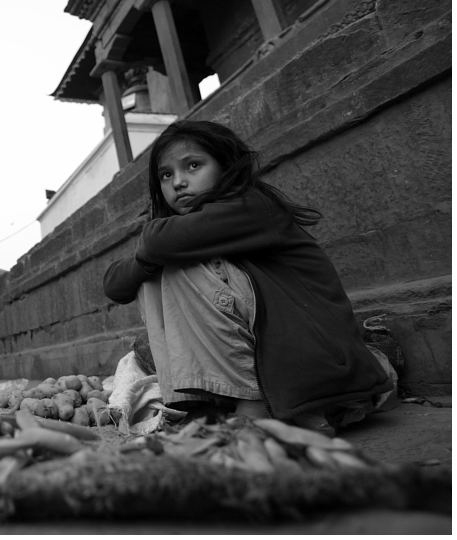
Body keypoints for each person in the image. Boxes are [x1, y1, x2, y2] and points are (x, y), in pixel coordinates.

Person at [102, 120, 394, 435]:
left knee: (177, 263)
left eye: (193, 166)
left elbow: (159, 242)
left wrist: (154, 249)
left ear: (226, 167)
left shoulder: (253, 207)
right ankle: (198, 402)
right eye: (166, 174)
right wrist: (149, 257)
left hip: (314, 365)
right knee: (154, 273)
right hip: (275, 368)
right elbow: (115, 285)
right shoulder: (185, 231)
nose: (179, 182)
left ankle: (253, 406)